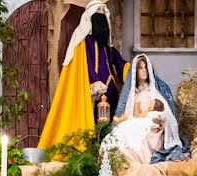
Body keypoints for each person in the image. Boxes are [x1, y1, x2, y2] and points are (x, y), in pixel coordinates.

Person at [38, 0, 129, 149]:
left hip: (112, 92)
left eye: (103, 14)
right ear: (89, 18)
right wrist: (94, 83)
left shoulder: (107, 47)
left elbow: (119, 62)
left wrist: (130, 70)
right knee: (93, 124)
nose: (101, 17)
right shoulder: (83, 42)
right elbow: (86, 64)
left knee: (111, 125)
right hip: (93, 91)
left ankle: (109, 151)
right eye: (97, 14)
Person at [103, 54, 183, 164]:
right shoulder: (132, 94)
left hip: (151, 130)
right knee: (118, 134)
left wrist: (156, 120)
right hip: (137, 123)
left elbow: (164, 113)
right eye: (141, 68)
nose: (144, 71)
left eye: (146, 67)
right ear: (135, 71)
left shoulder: (154, 91)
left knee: (132, 136)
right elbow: (133, 114)